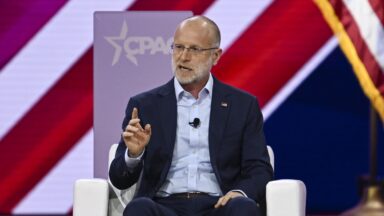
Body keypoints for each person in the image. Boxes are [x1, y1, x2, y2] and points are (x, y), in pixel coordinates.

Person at [109, 15, 273, 216]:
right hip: (163, 206)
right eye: (178, 47)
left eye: (194, 49)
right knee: (139, 209)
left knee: (243, 208)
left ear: (216, 56)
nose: (183, 57)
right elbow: (119, 178)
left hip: (219, 206)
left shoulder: (243, 105)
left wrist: (239, 193)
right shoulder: (144, 105)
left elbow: (259, 167)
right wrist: (133, 156)